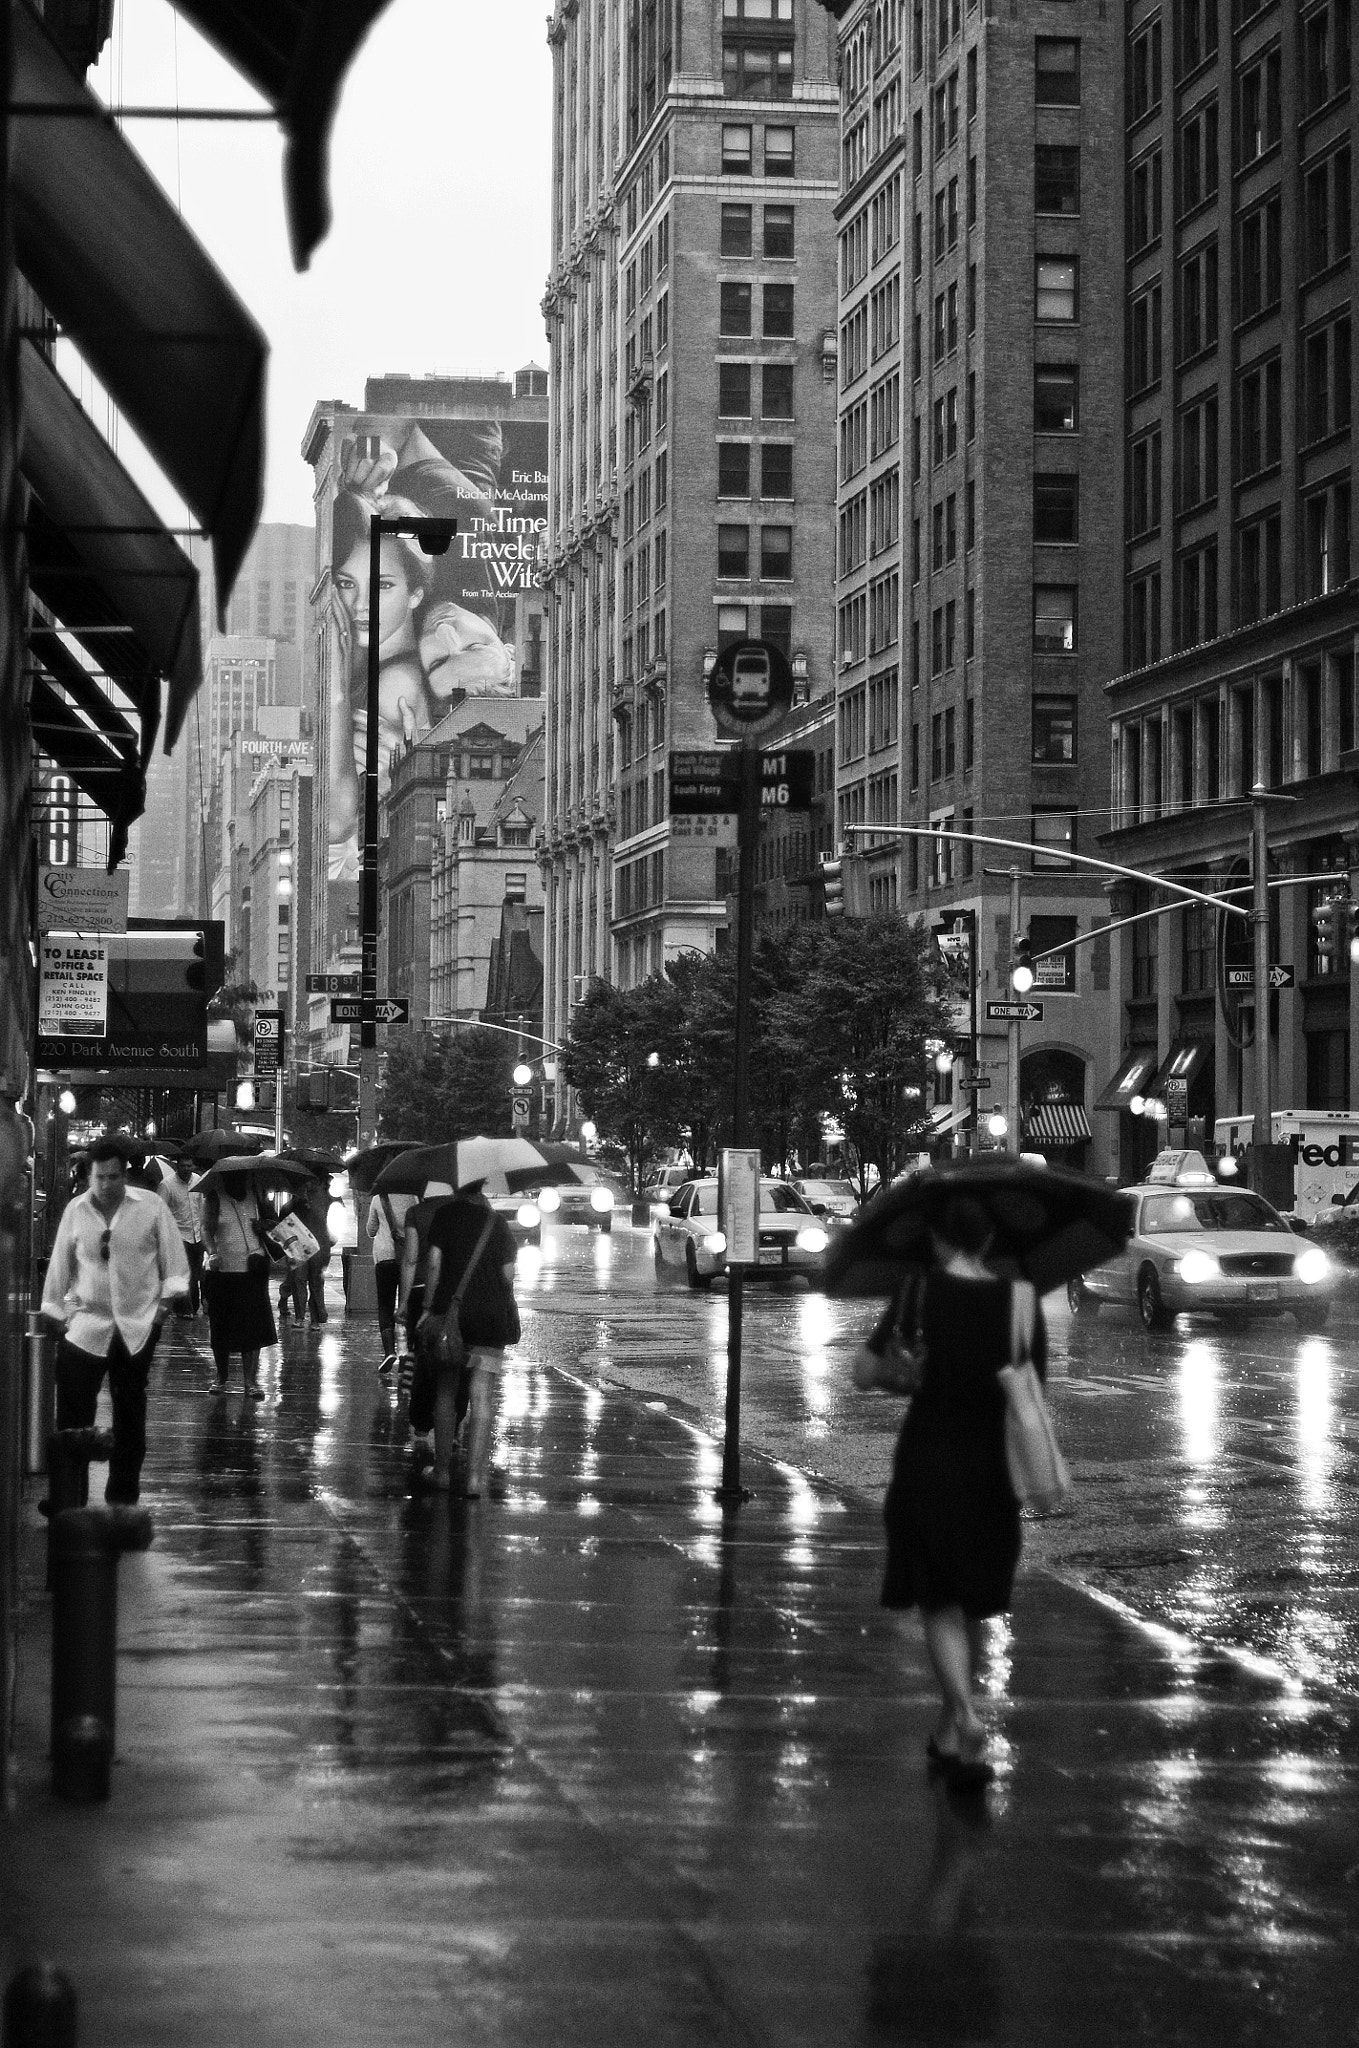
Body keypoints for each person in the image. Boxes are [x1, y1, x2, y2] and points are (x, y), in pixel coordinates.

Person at [858, 1192, 1043, 1792]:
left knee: (938, 1597)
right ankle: (949, 1726)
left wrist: (907, 1377)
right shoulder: (1021, 1302)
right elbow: (1034, 1387)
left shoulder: (918, 1293)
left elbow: (864, 1373)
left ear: (938, 1240)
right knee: (968, 1596)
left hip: (928, 1460)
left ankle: (963, 1716)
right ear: (989, 1242)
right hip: (994, 1469)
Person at [40, 1135, 189, 1504]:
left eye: (113, 1177)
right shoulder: (76, 1211)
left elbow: (175, 1267)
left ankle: (122, 1497)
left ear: (125, 1176)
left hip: (136, 1328)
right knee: (73, 1419)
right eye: (99, 1177)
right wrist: (55, 1313)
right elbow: (60, 1267)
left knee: (129, 1414)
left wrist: (159, 1317)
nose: (106, 1185)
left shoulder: (151, 1207)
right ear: (88, 1176)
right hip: (85, 1327)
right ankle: (67, 1498)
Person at [417, 1183, 519, 1496]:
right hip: (491, 1318)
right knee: (483, 1397)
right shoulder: (496, 1222)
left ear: (456, 1188)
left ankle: (443, 1473)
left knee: (447, 1392)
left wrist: (427, 1308)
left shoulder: (444, 1216)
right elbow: (509, 1274)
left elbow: (433, 1263)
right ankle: (475, 1480)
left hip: (452, 1317)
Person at [200, 1171, 279, 1398]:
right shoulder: (215, 1197)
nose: (238, 1182)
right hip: (222, 1272)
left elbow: (274, 1223)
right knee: (220, 1327)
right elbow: (206, 1228)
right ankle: (221, 1378)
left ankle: (250, 1382)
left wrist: (263, 1225)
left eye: (242, 1177)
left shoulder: (257, 1195)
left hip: (253, 1270)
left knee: (253, 1328)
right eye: (232, 1178)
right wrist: (212, 1252)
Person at [367, 1186, 416, 1375]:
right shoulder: (412, 1198)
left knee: (385, 1306)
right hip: (406, 1259)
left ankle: (389, 1352)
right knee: (404, 1306)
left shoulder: (379, 1198)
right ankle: (404, 1354)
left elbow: (371, 1230)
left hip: (384, 1257)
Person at [157, 1155, 204, 1317]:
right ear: (177, 1167)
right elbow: (161, 1212)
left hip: (197, 1235)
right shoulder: (167, 1185)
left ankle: (194, 1306)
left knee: (197, 1275)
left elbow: (201, 1206)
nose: (187, 1169)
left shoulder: (198, 1181)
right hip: (179, 1237)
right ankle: (185, 1309)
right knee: (185, 1275)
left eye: (189, 1165)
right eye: (183, 1166)